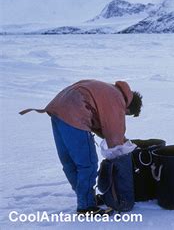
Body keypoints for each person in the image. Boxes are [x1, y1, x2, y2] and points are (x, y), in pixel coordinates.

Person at [19, 79, 143, 215]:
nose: (123, 115)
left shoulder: (109, 89)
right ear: (128, 107)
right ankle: (86, 206)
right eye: (126, 114)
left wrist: (119, 139)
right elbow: (114, 132)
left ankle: (85, 198)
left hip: (57, 112)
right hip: (74, 114)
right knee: (88, 164)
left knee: (69, 162)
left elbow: (103, 123)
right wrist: (123, 148)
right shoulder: (117, 98)